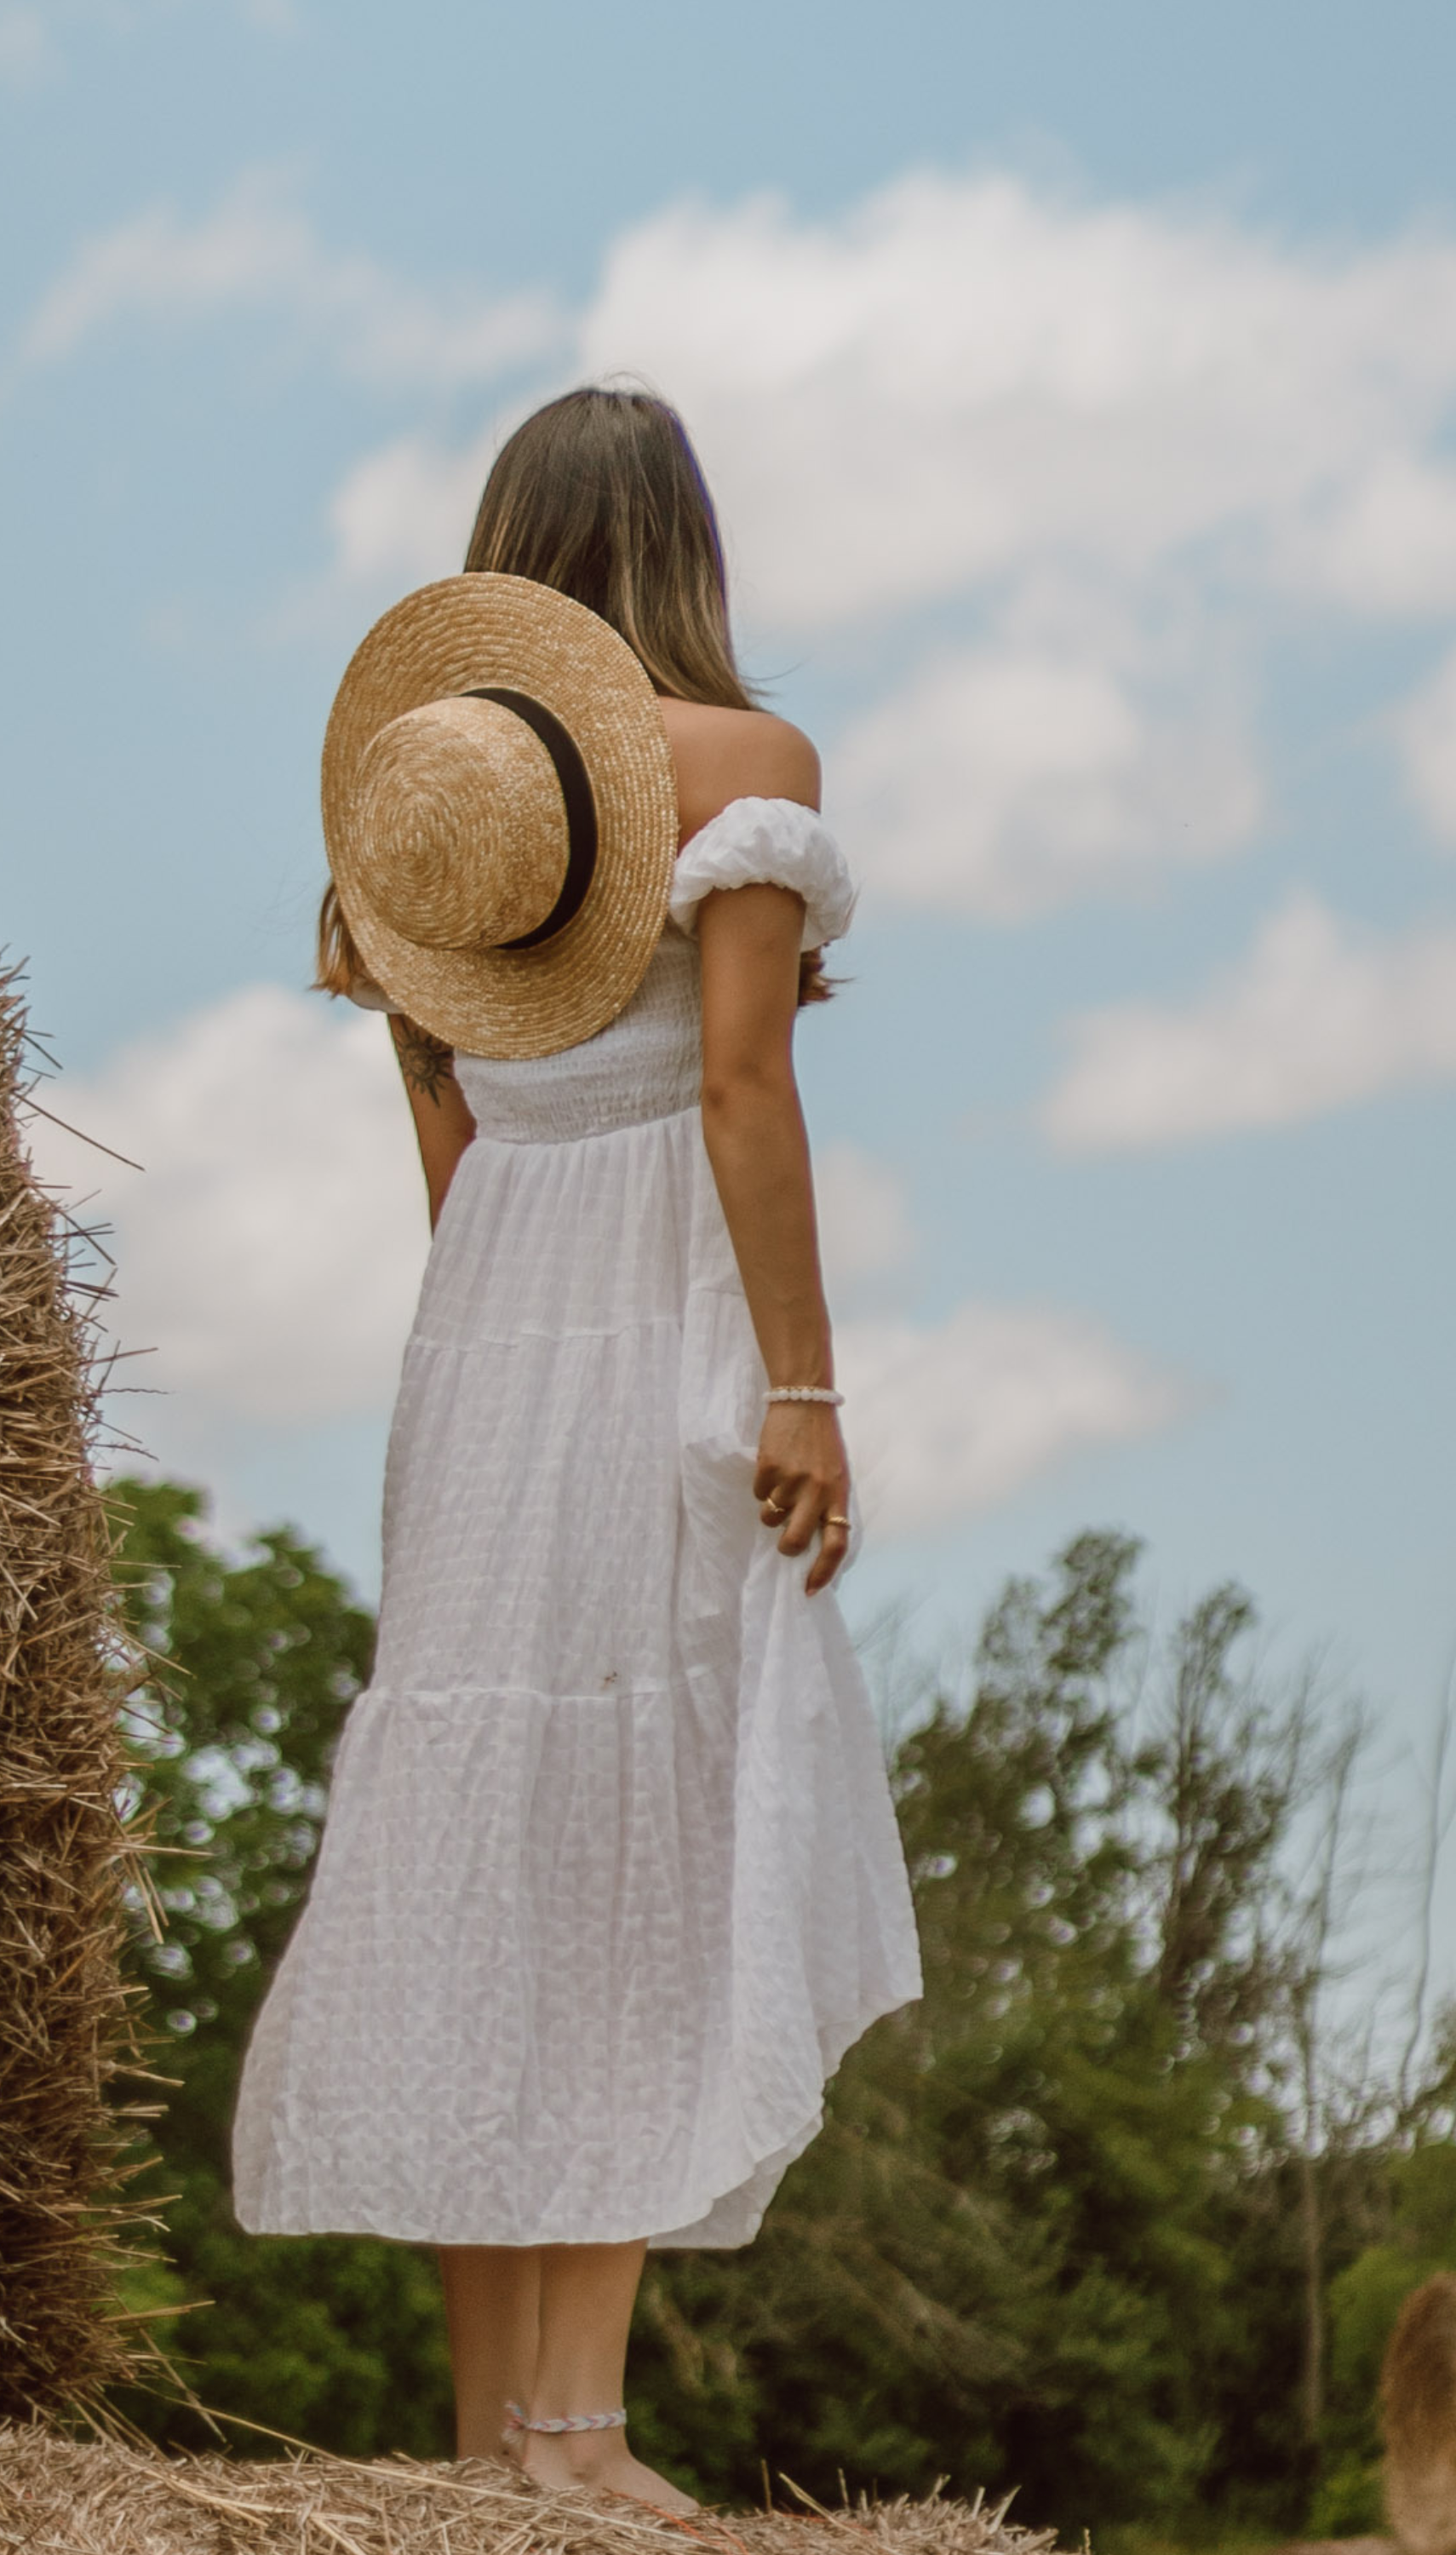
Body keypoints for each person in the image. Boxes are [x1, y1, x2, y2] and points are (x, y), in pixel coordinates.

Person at [231, 387, 920, 2516]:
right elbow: (736, 1098)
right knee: (646, 1810)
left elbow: (452, 1145)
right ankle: (582, 2437)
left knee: (484, 1819)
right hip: (661, 1306)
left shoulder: (434, 794)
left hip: (491, 1327)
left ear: (501, 556)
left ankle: (479, 2448)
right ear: (686, 543)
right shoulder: (746, 772)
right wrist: (797, 1384)